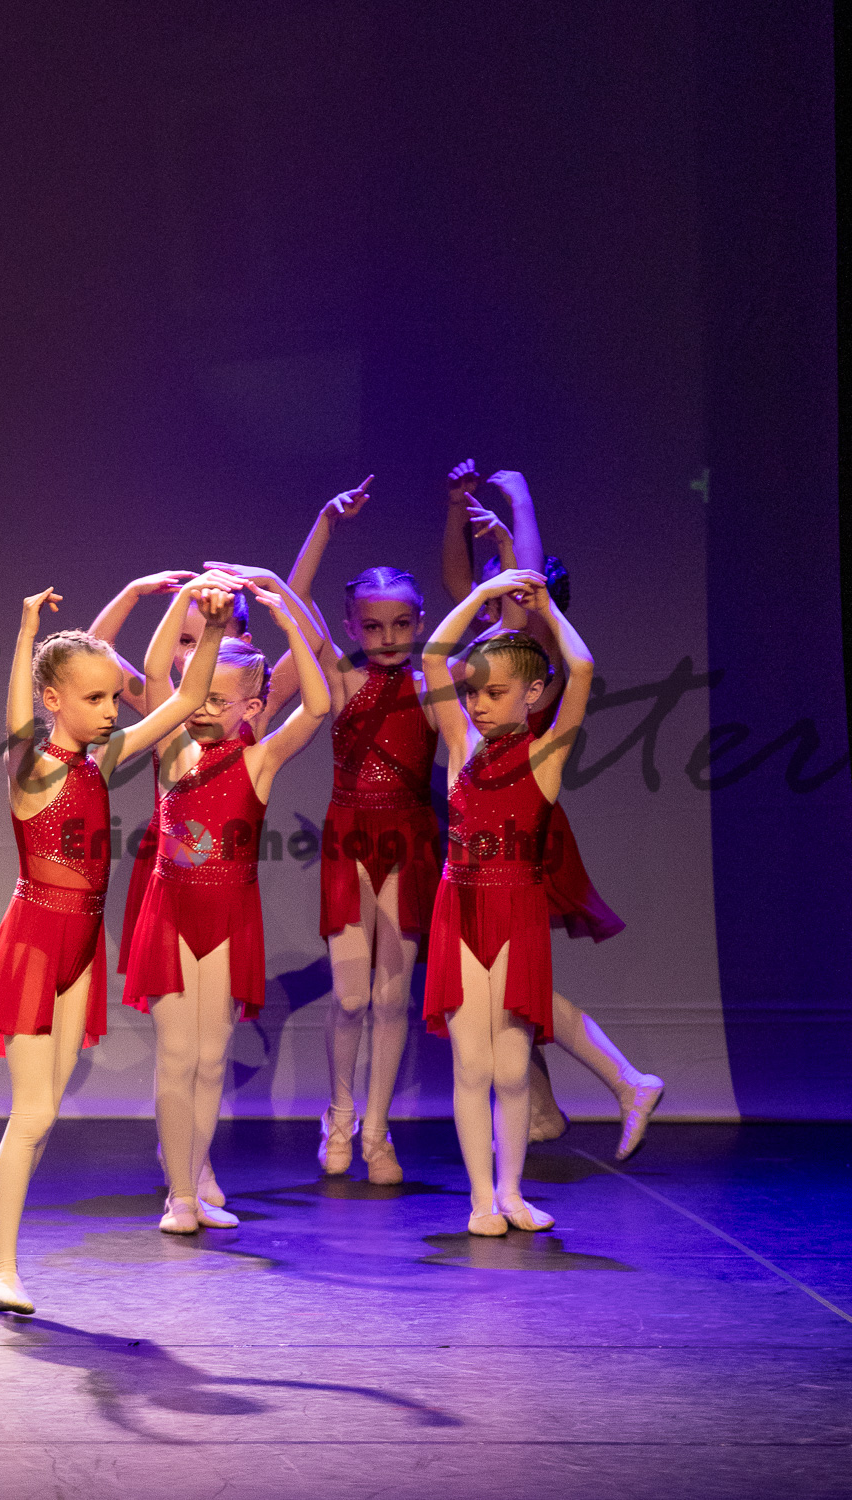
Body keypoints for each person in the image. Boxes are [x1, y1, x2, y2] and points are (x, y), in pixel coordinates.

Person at [0, 574, 239, 1313]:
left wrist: (213, 629)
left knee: (42, 1116)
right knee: (33, 1116)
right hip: (33, 948)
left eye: (114, 697)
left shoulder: (99, 762)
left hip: (80, 951)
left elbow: (184, 698)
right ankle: (0, 1267)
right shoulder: (31, 768)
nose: (113, 710)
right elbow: (17, 722)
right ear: (54, 700)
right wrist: (26, 634)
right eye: (96, 698)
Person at [441, 465, 663, 1158]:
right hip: (477, 816)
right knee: (496, 985)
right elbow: (458, 591)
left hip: (521, 820)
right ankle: (539, 1111)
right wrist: (458, 509)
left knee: (515, 978)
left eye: (508, 588)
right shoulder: (484, 660)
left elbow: (525, 595)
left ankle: (622, 1080)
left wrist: (518, 504)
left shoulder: (526, 656)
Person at [122, 582, 330, 1235]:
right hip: (171, 913)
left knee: (212, 1058)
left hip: (230, 920)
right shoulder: (173, 749)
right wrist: (193, 609)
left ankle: (196, 1180)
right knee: (176, 1055)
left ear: (251, 708)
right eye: (198, 695)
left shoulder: (260, 761)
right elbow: (155, 670)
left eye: (219, 699)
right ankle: (180, 1195)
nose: (203, 708)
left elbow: (319, 705)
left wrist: (287, 616)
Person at [422, 568, 594, 1234]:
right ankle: (480, 1199)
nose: (480, 704)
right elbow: (434, 656)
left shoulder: (546, 756)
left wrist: (547, 608)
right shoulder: (461, 744)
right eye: (474, 692)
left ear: (532, 694)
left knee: (515, 1068)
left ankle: (513, 1192)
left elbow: (582, 668)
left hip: (517, 913)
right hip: (460, 911)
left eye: (495, 693)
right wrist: (477, 598)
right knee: (472, 1064)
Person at [287, 479, 442, 1184]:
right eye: (373, 627)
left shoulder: (435, 684)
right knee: (350, 997)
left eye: (402, 625)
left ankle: (377, 1131)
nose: (388, 639)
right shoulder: (343, 680)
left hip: (409, 839)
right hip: (350, 837)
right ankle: (340, 1112)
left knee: (390, 998)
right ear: (352, 627)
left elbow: (502, 636)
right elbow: (294, 599)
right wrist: (325, 521)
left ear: (419, 622)